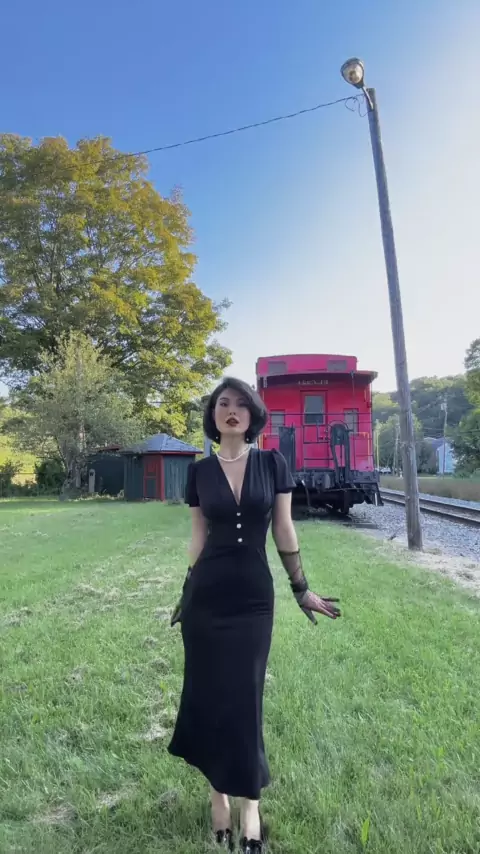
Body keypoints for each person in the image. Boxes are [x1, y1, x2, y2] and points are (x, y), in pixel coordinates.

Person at [168, 378, 341, 853]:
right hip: (207, 597)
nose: (232, 410)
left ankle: (251, 807)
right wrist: (186, 593)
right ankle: (217, 796)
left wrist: (301, 589)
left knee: (246, 698)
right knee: (209, 695)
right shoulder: (199, 472)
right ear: (213, 415)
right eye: (223, 403)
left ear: (253, 415)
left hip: (253, 598)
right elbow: (198, 538)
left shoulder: (272, 463)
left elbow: (283, 528)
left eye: (241, 404)